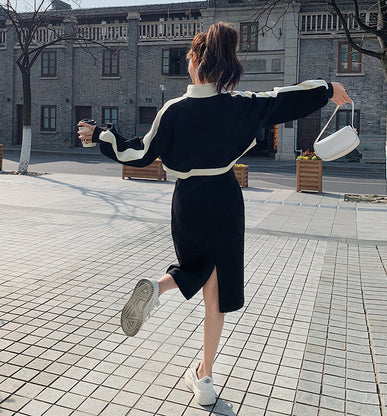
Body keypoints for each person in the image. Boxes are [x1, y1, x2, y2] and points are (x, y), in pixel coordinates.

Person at [78, 22, 351, 406]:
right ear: (226, 66)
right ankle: (204, 378)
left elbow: (139, 153)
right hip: (224, 197)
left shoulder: (174, 110)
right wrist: (329, 89)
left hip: (188, 199)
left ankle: (157, 288)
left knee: (195, 264)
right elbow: (285, 98)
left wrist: (101, 136)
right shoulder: (240, 106)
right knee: (216, 295)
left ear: (193, 60)